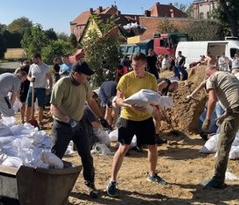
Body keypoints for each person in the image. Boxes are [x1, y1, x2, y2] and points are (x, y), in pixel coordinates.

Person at [106, 52, 166, 197]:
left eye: (138, 66)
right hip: (128, 117)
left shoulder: (151, 78)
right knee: (123, 147)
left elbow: (154, 97)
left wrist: (156, 107)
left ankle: (152, 174)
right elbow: (118, 100)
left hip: (145, 117)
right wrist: (129, 105)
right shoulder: (125, 79)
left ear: (145, 64)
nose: (135, 69)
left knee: (152, 146)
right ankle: (112, 180)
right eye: (133, 66)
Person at [50, 61, 105, 199]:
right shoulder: (62, 84)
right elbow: (53, 108)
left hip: (79, 125)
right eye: (85, 75)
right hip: (62, 126)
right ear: (75, 74)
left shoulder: (84, 84)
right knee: (56, 157)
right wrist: (68, 120)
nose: (87, 78)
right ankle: (51, 185)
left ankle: (90, 183)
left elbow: (91, 101)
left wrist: (100, 117)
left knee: (86, 155)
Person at [201, 65, 239, 189]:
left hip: (236, 110)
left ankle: (218, 179)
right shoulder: (229, 75)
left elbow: (212, 100)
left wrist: (207, 119)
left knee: (223, 144)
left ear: (208, 74)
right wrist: (224, 115)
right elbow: (235, 96)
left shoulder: (212, 78)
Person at [26, 53, 53, 127]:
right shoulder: (32, 66)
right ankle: (27, 121)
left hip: (41, 88)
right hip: (32, 88)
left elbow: (50, 79)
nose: (32, 60)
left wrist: (49, 89)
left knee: (41, 106)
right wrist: (30, 79)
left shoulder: (45, 67)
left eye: (33, 59)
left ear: (38, 58)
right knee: (29, 104)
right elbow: (28, 76)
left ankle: (39, 122)